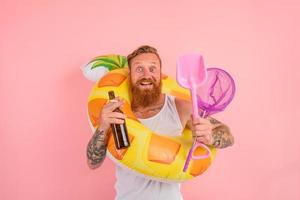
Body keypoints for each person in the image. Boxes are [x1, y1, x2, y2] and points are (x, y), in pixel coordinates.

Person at [86, 45, 234, 200]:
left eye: (152, 68)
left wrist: (210, 135)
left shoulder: (180, 107)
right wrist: (102, 126)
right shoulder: (117, 111)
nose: (146, 74)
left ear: (160, 73)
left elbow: (228, 136)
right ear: (130, 75)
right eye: (139, 69)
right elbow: (93, 163)